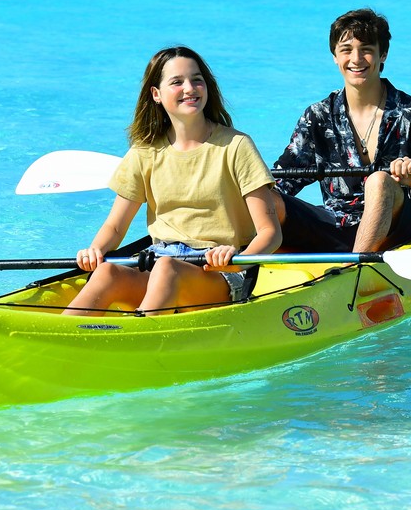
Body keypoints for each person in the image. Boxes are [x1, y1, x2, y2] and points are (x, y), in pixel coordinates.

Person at [64, 46, 282, 316]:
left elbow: (270, 233)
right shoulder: (144, 152)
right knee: (108, 271)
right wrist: (95, 250)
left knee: (168, 268)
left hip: (218, 272)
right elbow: (115, 226)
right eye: (177, 82)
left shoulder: (237, 146)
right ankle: (62, 334)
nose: (189, 88)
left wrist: (235, 262)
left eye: (197, 80)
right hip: (158, 262)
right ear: (156, 94)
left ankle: (140, 332)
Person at [273, 7, 411, 253]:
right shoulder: (318, 116)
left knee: (379, 181)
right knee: (264, 197)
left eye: (366, 49)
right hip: (336, 224)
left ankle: (354, 265)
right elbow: (282, 181)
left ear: (383, 54)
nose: (356, 59)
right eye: (346, 50)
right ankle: (235, 266)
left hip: (397, 227)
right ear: (335, 56)